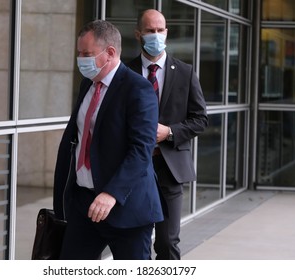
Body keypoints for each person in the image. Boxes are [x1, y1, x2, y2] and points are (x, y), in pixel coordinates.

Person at [53, 19, 164, 260]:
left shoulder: (138, 89)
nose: (81, 59)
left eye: (87, 54)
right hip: (84, 205)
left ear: (110, 53)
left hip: (126, 208)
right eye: (79, 53)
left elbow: (141, 150)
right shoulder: (87, 84)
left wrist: (111, 193)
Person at [127, 9, 208, 260]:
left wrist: (170, 132)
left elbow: (200, 120)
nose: (156, 35)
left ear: (167, 33)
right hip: (133, 168)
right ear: (138, 34)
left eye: (160, 30)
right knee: (134, 244)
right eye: (150, 31)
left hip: (169, 169)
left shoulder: (184, 72)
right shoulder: (124, 72)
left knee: (167, 243)